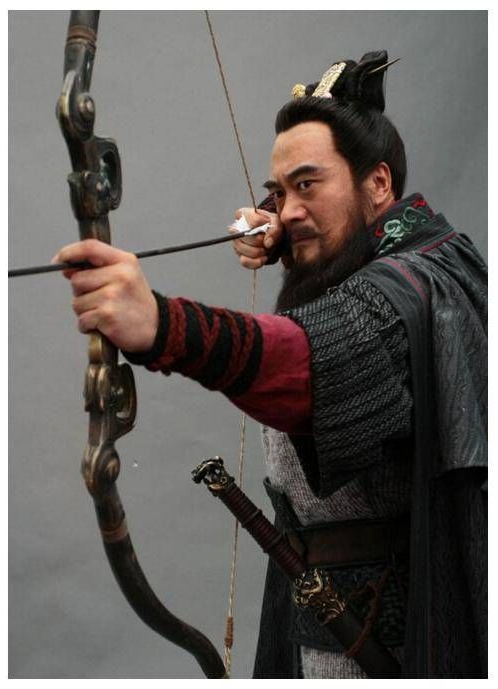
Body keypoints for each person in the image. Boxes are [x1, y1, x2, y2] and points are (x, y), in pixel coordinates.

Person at [52, 51, 487, 679]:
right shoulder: (374, 261)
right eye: (278, 193)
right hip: (317, 630)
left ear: (379, 184)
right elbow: (344, 272)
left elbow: (313, 362)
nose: (285, 210)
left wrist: (162, 325)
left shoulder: (418, 285)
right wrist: (294, 237)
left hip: (388, 647)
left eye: (307, 185)